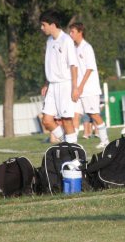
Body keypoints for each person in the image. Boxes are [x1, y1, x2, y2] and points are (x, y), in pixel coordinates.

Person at [39, 10, 79, 144]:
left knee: (67, 120)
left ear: (52, 24)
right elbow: (50, 65)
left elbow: (73, 66)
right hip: (52, 85)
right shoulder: (49, 41)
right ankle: (67, 144)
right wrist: (46, 83)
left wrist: (75, 88)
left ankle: (73, 152)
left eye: (44, 25)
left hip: (65, 85)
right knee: (47, 120)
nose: (42, 28)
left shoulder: (66, 40)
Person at [68, 22, 110, 149]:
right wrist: (74, 87)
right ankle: (72, 144)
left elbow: (90, 68)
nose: (70, 34)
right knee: (75, 114)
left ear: (80, 32)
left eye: (73, 32)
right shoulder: (74, 49)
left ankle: (105, 140)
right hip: (78, 90)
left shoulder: (87, 48)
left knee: (94, 115)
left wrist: (80, 87)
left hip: (89, 89)